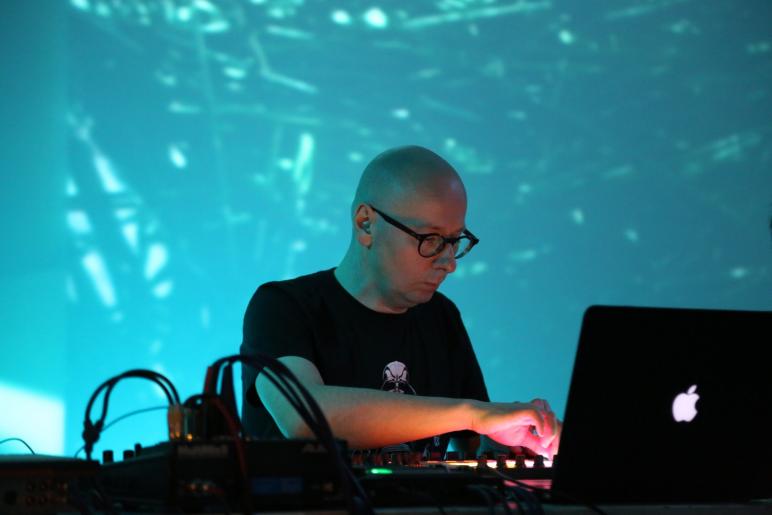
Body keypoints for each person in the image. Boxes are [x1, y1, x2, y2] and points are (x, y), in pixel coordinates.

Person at [240, 145, 561, 459]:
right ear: (366, 224)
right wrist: (474, 414)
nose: (449, 262)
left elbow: (472, 446)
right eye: (431, 240)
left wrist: (510, 439)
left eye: (455, 241)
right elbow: (303, 416)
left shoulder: (441, 317)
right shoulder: (283, 306)